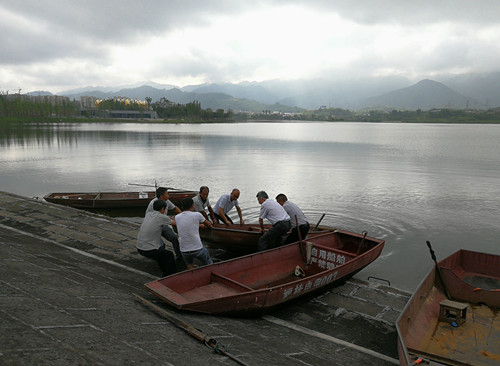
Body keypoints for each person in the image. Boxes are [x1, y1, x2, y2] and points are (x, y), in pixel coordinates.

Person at [136, 199, 176, 277]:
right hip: (148, 250)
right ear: (162, 209)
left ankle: (163, 269)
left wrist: (171, 218)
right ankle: (171, 274)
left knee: (161, 250)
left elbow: (167, 218)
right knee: (169, 255)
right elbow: (176, 223)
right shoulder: (161, 217)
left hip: (140, 247)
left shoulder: (149, 214)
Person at [175, 197, 213, 269]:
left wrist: (198, 225)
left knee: (189, 264)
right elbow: (208, 224)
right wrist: (206, 225)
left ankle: (193, 275)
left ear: (182, 207)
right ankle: (210, 272)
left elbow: (187, 224)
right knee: (208, 261)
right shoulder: (197, 215)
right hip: (197, 249)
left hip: (184, 250)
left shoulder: (177, 217)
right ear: (192, 206)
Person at [145, 187, 182, 259]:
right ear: (161, 196)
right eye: (167, 194)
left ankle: (179, 256)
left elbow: (175, 208)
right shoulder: (154, 204)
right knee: (161, 245)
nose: (169, 195)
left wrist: (183, 216)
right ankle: (160, 260)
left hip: (163, 225)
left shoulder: (166, 201)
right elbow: (160, 218)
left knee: (174, 238)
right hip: (153, 227)